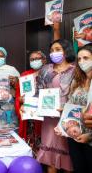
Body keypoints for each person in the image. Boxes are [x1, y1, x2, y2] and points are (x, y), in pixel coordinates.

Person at [36, 39, 76, 173]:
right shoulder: (45, 70)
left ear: (66, 50)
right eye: (52, 50)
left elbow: (79, 95)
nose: (54, 53)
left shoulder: (75, 70)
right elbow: (38, 92)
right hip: (49, 118)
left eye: (58, 49)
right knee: (50, 157)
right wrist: (28, 104)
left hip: (68, 118)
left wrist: (66, 107)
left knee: (69, 157)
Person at [63, 43, 92, 173]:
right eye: (79, 59)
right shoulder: (77, 80)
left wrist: (90, 136)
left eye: (86, 58)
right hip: (74, 134)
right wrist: (62, 125)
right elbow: (70, 103)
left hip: (90, 137)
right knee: (79, 168)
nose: (81, 62)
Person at [15, 50, 47, 154]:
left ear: (44, 60)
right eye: (32, 59)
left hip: (44, 117)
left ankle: (42, 166)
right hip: (28, 116)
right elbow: (18, 96)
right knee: (29, 143)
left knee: (44, 143)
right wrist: (20, 99)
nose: (34, 61)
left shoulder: (49, 74)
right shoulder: (24, 75)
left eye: (37, 59)